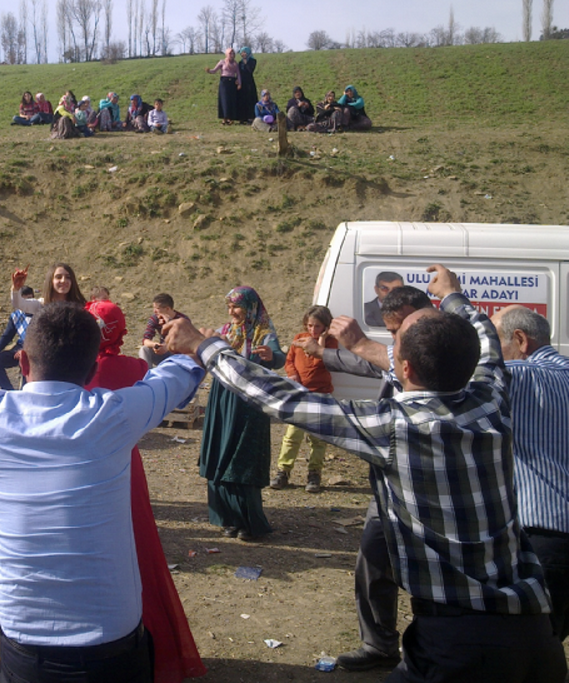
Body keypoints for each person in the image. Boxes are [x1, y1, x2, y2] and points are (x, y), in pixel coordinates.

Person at [166, 265, 568, 683]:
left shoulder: (394, 427)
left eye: (395, 343)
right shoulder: (491, 399)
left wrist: (204, 346)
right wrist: (452, 295)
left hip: (457, 645)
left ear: (405, 369)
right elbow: (486, 337)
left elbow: (281, 399)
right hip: (536, 636)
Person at [0, 302, 204, 683]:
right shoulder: (112, 415)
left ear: (23, 362)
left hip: (25, 648)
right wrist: (196, 342)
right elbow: (180, 376)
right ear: (90, 372)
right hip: (111, 647)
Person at [294, 285, 431, 672]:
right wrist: (324, 352)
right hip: (389, 484)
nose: (394, 340)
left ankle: (432, 648)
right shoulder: (398, 352)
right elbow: (370, 364)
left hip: (429, 484)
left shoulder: (440, 349)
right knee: (372, 560)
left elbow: (374, 359)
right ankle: (379, 644)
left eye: (399, 329)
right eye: (391, 332)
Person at [84, 300, 207, 683]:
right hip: (127, 463)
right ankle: (154, 643)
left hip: (85, 464)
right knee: (137, 546)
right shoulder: (134, 368)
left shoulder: (77, 368)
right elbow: (176, 391)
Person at [492, 306, 569, 642]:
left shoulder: (518, 375)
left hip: (543, 539)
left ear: (520, 340)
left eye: (495, 341)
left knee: (528, 644)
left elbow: (448, 375)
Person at [200, 287, 284, 540]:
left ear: (250, 308)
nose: (232, 312)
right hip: (223, 400)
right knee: (221, 453)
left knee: (242, 458)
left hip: (249, 404)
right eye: (229, 306)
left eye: (236, 306)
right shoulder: (224, 332)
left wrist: (271, 356)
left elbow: (279, 358)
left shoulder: (263, 334)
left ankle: (248, 522)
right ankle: (228, 519)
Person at [271, 305, 337, 493]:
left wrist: (321, 342)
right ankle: (283, 471)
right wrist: (292, 374)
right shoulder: (300, 339)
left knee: (318, 438)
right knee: (292, 435)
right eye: (310, 326)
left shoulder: (330, 344)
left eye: (318, 327)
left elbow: (322, 362)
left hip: (320, 395)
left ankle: (314, 473)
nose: (313, 330)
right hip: (300, 394)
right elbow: (289, 360)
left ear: (325, 327)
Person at [0, 286, 34, 390]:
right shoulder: (16, 316)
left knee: (26, 361)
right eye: (24, 300)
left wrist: (26, 350)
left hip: (35, 349)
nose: (27, 304)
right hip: (20, 346)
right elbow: (8, 335)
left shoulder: (39, 313)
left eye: (29, 299)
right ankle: (9, 391)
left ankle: (25, 391)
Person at [10, 262, 86, 314]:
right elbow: (18, 304)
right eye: (58, 277)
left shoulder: (81, 306)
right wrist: (16, 288)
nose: (63, 280)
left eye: (68, 277)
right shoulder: (41, 305)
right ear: (50, 281)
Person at [140, 293, 188, 368]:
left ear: (167, 309)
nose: (154, 311)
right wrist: (155, 345)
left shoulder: (182, 320)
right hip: (163, 352)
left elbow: (183, 341)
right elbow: (145, 340)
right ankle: (146, 373)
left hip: (179, 355)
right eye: (154, 308)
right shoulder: (155, 319)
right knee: (144, 349)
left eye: (157, 308)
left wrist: (169, 322)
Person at [206, 47, 241, 125]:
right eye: (230, 53)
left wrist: (239, 83)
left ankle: (230, 118)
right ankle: (224, 118)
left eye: (233, 53)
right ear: (227, 54)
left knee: (231, 100)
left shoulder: (235, 64)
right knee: (224, 100)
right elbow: (214, 70)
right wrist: (209, 71)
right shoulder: (222, 62)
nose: (232, 55)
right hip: (224, 82)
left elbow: (238, 74)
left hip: (232, 82)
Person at [234, 47, 258, 124]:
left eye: (245, 52)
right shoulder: (240, 63)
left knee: (250, 99)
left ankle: (251, 117)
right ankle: (242, 118)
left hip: (249, 83)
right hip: (242, 83)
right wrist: (237, 80)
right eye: (242, 52)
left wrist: (245, 62)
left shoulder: (253, 61)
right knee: (242, 100)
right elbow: (238, 72)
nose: (243, 54)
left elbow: (250, 70)